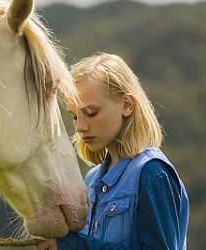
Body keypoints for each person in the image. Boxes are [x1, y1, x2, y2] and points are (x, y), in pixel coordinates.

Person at [36, 52, 189, 250]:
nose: (80, 126)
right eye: (74, 116)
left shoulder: (152, 173)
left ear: (127, 105)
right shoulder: (90, 180)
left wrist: (75, 246)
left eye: (90, 112)